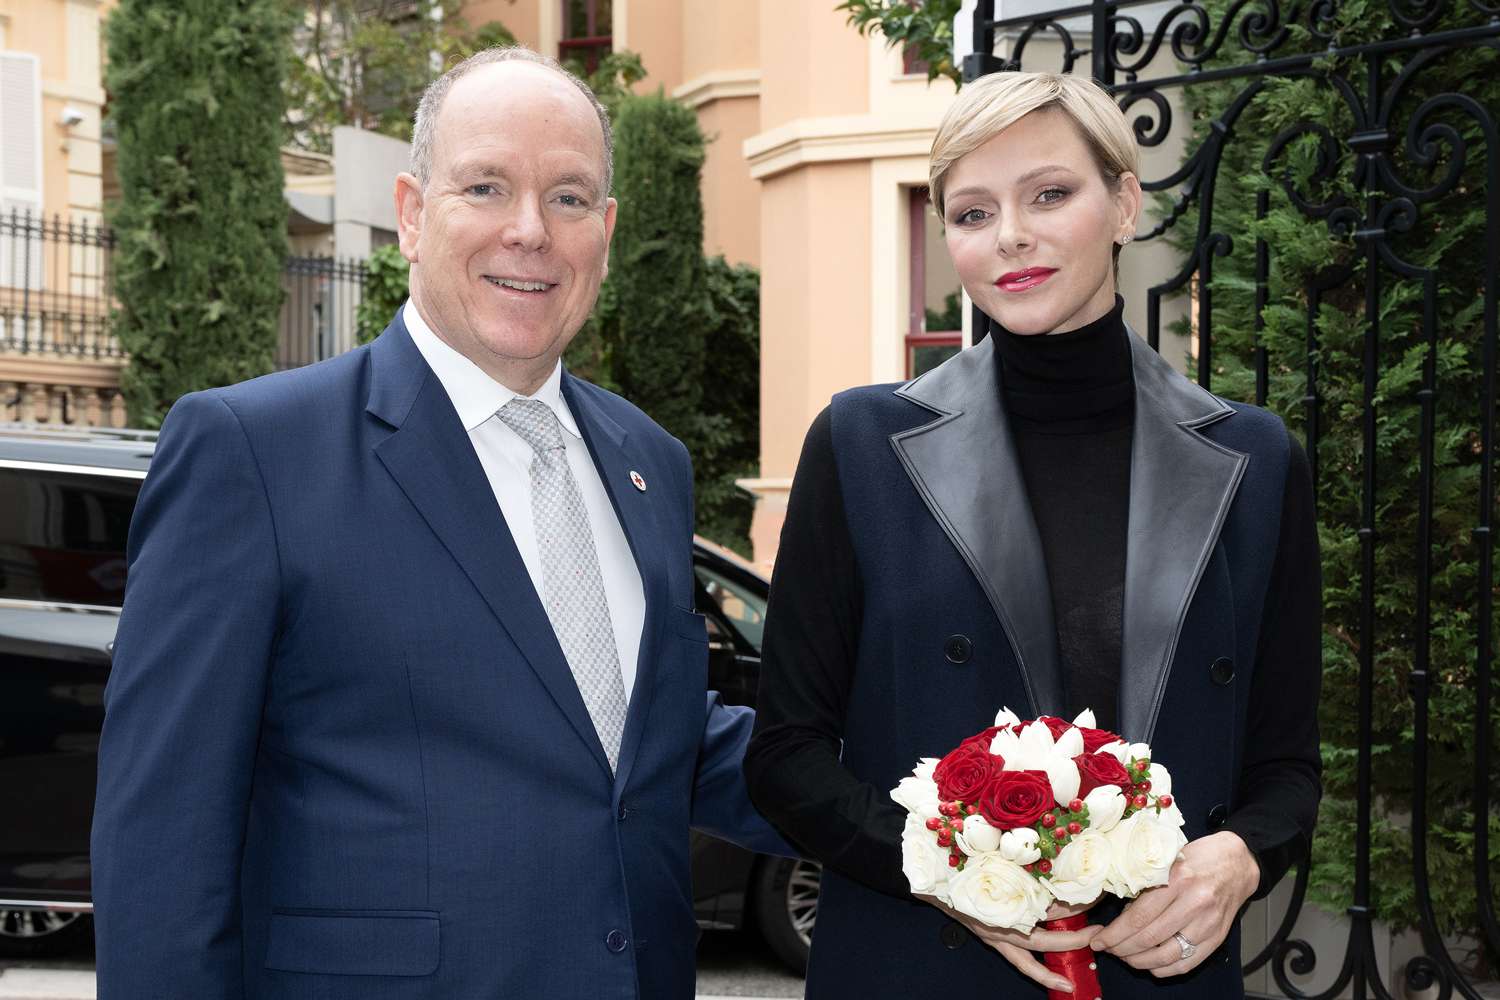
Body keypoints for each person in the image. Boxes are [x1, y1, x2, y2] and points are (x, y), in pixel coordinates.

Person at [91, 46, 788, 999]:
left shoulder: (648, 461)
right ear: (414, 215)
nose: (531, 232)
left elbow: (645, 740)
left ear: (607, 232)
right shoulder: (252, 453)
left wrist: (939, 811)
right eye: (487, 187)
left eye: (570, 198)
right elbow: (163, 837)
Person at [743, 71, 1321, 998]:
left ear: (1125, 203)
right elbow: (786, 755)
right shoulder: (861, 446)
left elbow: (1286, 764)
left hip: (1160, 972)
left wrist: (1245, 857)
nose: (1010, 234)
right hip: (915, 963)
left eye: (1049, 194)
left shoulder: (1253, 460)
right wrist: (949, 876)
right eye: (971, 212)